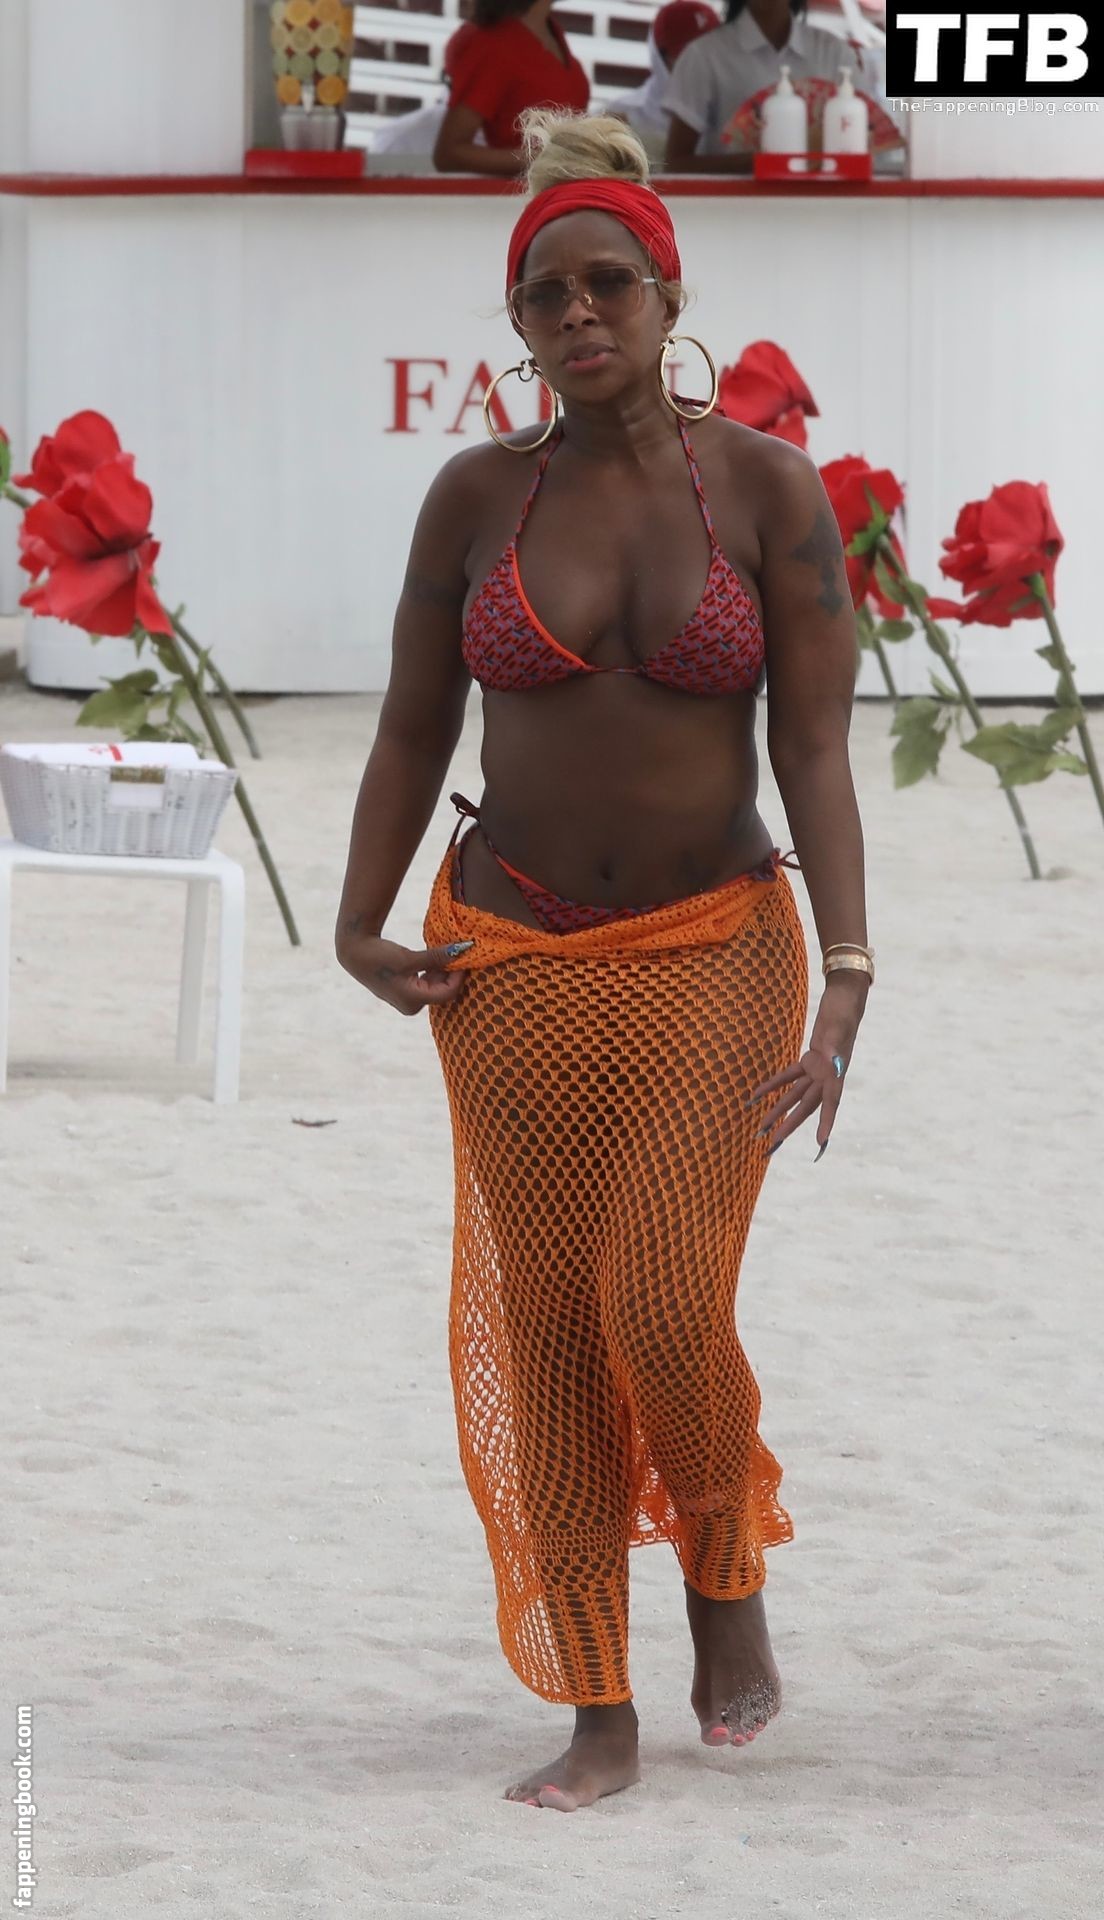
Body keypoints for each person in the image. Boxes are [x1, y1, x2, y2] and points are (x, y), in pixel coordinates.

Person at [336, 105, 873, 1812]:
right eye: (544, 295)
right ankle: (594, 1702)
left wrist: (848, 974)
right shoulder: (476, 497)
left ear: (666, 293)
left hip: (719, 942)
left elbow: (813, 749)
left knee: (660, 1292)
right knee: (550, 1322)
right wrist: (355, 920)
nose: (577, 314)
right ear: (517, 324)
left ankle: (722, 1568)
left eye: (607, 285)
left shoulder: (767, 492)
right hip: (508, 956)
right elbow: (411, 726)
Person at [664, 0, 906, 174]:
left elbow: (871, 143)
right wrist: (757, 162)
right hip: (738, 211)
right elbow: (675, 163)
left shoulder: (834, 53)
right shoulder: (703, 56)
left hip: (828, 208)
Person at [433, 0, 589, 177]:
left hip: (566, 185)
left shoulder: (552, 31)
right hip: (526, 190)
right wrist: (545, 158)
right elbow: (450, 152)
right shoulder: (494, 45)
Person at [605, 0, 720, 162]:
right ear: (659, 58)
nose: (702, 67)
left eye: (712, 56)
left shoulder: (739, 116)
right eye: (686, 57)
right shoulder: (620, 119)